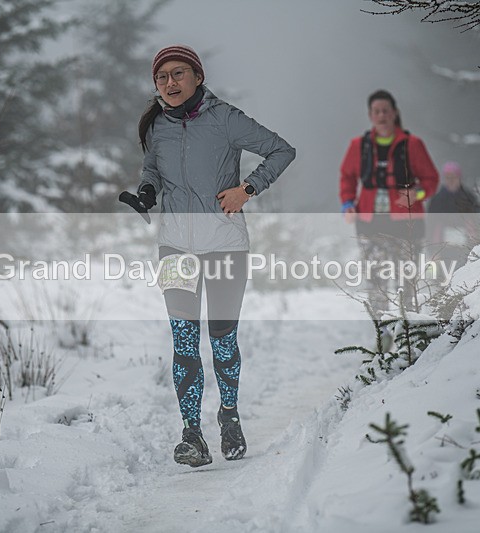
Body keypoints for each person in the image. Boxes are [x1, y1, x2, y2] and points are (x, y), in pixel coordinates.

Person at [127, 45, 295, 468]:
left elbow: (281, 150)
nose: (170, 83)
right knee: (184, 343)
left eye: (178, 74)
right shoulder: (158, 127)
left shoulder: (225, 118)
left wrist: (248, 189)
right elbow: (153, 169)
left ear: (197, 77)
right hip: (175, 248)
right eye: (162, 77)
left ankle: (230, 417)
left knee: (222, 340)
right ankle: (192, 436)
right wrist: (147, 191)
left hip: (224, 244)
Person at [339, 90, 438, 312]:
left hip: (407, 224)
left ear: (394, 113)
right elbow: (347, 176)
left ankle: (408, 330)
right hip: (370, 224)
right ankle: (381, 330)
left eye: (385, 110)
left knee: (407, 282)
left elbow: (431, 179)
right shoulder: (359, 146)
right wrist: (347, 203)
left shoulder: (412, 145)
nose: (381, 115)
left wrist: (417, 194)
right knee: (376, 281)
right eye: (376, 111)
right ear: (370, 115)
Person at [426, 161, 480, 279]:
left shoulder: (469, 197)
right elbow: (431, 222)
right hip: (441, 239)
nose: (450, 180)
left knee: (463, 269)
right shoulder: (437, 199)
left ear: (459, 178)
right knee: (443, 271)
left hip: (465, 238)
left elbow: (476, 218)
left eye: (453, 177)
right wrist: (431, 244)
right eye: (447, 177)